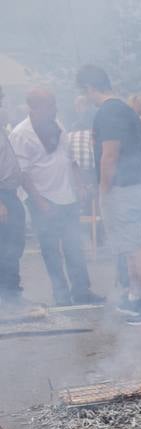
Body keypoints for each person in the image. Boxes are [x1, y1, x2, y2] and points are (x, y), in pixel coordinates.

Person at [78, 64, 141, 325]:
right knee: (130, 247)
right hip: (137, 186)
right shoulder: (124, 109)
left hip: (123, 190)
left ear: (89, 87)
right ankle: (135, 298)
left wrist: (104, 191)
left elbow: (110, 155)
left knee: (136, 248)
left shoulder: (109, 112)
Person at [12, 88, 100, 307]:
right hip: (42, 198)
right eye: (50, 105)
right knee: (51, 250)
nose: (55, 109)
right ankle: (61, 294)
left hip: (67, 195)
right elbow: (22, 173)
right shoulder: (21, 134)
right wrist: (40, 201)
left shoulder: (57, 124)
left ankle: (82, 291)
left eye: (54, 104)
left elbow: (69, 158)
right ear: (35, 107)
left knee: (74, 246)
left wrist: (79, 184)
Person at [0, 89, 27, 307]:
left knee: (13, 244)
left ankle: (11, 293)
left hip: (9, 194)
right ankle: (8, 296)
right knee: (6, 246)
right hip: (2, 196)